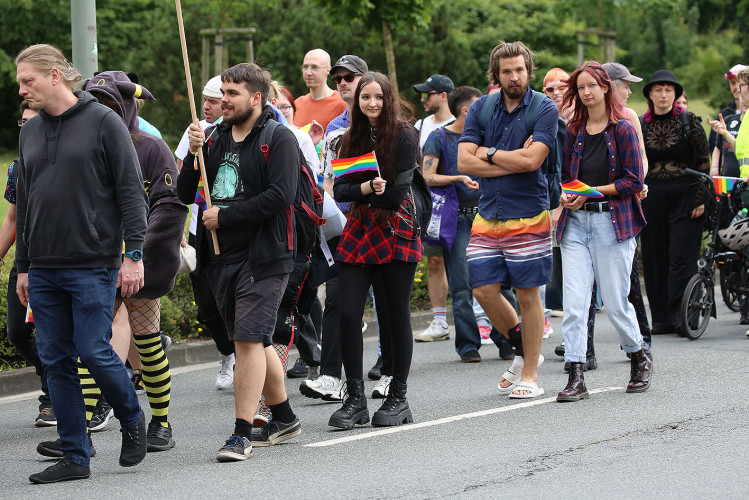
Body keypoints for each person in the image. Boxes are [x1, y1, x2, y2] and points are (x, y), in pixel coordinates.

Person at [15, 44, 149, 483]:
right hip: (45, 266)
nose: (22, 91)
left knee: (93, 349)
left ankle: (132, 417)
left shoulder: (104, 122)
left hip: (94, 262)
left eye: (27, 81)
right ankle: (76, 455)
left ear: (55, 76)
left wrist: (133, 255)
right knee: (55, 359)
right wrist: (23, 267)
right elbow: (28, 204)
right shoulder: (30, 131)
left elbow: (132, 193)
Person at [177, 62, 301, 461]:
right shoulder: (213, 138)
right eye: (221, 93)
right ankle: (284, 416)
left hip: (267, 255)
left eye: (232, 94)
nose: (223, 101)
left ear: (256, 97)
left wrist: (225, 216)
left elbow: (281, 195)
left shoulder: (278, 137)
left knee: (247, 338)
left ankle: (241, 433)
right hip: (221, 256)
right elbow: (184, 193)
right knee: (253, 339)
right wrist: (192, 153)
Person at [82, 71, 187, 451]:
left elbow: (171, 204)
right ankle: (79, 428)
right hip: (95, 260)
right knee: (90, 341)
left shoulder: (152, 148)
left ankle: (161, 423)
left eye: (111, 105)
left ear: (126, 107)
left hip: (142, 263)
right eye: (97, 104)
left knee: (146, 341)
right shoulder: (84, 147)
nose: (103, 112)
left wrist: (137, 252)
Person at [458, 41, 558, 398]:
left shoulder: (544, 108)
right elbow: (464, 162)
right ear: (495, 75)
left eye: (519, 70)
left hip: (529, 213)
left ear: (528, 70)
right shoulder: (482, 109)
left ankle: (529, 373)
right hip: (488, 213)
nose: (514, 77)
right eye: (506, 71)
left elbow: (533, 163)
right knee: (483, 289)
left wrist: (489, 153)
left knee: (528, 295)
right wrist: (511, 156)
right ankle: (525, 349)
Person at [328, 71, 421, 429]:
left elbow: (398, 194)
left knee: (395, 313)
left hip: (397, 226)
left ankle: (398, 397)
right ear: (357, 101)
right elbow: (341, 192)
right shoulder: (347, 137)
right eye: (365, 97)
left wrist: (363, 190)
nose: (371, 103)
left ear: (388, 99)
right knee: (348, 312)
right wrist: (368, 186)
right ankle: (355, 400)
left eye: (378, 97)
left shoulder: (404, 135)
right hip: (360, 227)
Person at [553, 61, 650, 402]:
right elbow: (566, 176)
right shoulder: (575, 131)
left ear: (606, 87)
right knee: (576, 303)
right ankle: (576, 374)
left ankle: (638, 356)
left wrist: (589, 192)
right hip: (576, 225)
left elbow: (633, 181)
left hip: (613, 222)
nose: (587, 92)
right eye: (580, 88)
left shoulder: (622, 128)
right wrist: (567, 194)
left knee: (614, 301)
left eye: (592, 85)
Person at [302, 54, 370, 402]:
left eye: (350, 77)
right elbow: (328, 181)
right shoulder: (334, 129)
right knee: (337, 300)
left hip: (381, 226)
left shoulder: (386, 123)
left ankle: (390, 374)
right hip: (345, 228)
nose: (343, 82)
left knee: (387, 306)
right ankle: (330, 377)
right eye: (339, 77)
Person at [174, 75, 236, 390]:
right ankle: (229, 353)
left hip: (235, 227)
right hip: (201, 227)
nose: (207, 107)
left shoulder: (248, 132)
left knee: (238, 302)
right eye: (205, 100)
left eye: (213, 101)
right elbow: (180, 189)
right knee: (207, 307)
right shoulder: (197, 132)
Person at [639, 70, 709, 335]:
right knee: (654, 256)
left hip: (687, 194)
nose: (664, 95)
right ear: (650, 94)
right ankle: (660, 318)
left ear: (676, 94)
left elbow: (703, 162)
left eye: (669, 89)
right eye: (658, 89)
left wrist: (700, 199)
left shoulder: (689, 122)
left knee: (681, 257)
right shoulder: (641, 124)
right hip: (652, 195)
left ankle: (682, 316)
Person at [0, 100, 55, 427]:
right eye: (23, 123)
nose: (27, 129)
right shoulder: (17, 169)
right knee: (18, 331)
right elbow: (11, 220)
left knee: (54, 333)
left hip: (60, 263)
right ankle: (53, 375)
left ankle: (52, 397)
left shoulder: (65, 162)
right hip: (26, 263)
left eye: (31, 122)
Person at [421, 86, 486, 359]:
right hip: (457, 218)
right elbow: (427, 176)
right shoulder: (440, 137)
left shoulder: (486, 136)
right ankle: (468, 345)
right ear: (466, 110)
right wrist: (458, 178)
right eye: (479, 106)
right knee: (462, 286)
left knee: (499, 283)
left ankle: (507, 339)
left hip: (487, 215)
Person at [412, 74, 455, 342]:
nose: (423, 99)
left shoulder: (458, 125)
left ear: (443, 96)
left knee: (463, 264)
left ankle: (478, 318)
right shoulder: (420, 125)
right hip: (431, 205)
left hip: (457, 204)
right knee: (434, 261)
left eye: (428, 94)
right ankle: (440, 320)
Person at [294, 48, 347, 131]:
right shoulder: (297, 104)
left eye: (315, 67)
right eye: (305, 67)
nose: (308, 73)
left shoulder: (341, 104)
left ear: (328, 70)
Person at [708, 64, 747, 159]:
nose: (737, 88)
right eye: (733, 83)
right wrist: (716, 167)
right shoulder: (724, 115)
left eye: (740, 84)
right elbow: (713, 145)